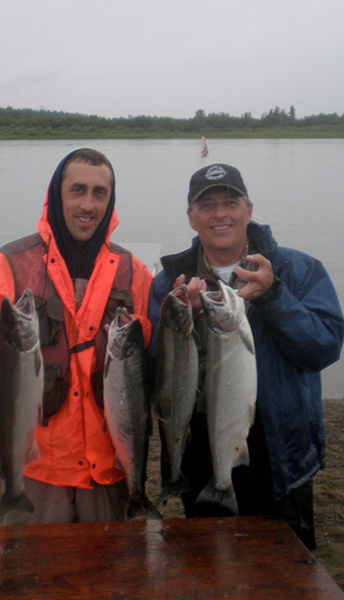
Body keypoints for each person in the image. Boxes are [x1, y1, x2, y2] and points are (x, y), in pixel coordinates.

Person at [0, 148, 153, 524]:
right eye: (77, 190)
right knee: (30, 579)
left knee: (112, 578)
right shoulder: (9, 264)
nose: (88, 204)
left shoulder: (133, 271)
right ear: (56, 194)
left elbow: (153, 346)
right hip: (37, 471)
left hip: (107, 469)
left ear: (111, 200)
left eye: (99, 193)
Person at [147, 163, 344, 553]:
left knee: (287, 576)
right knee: (207, 571)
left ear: (249, 209)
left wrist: (274, 297)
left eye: (230, 202)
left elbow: (324, 348)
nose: (220, 213)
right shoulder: (170, 282)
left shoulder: (298, 270)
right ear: (191, 216)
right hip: (201, 455)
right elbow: (156, 372)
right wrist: (179, 322)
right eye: (207, 205)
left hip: (280, 456)